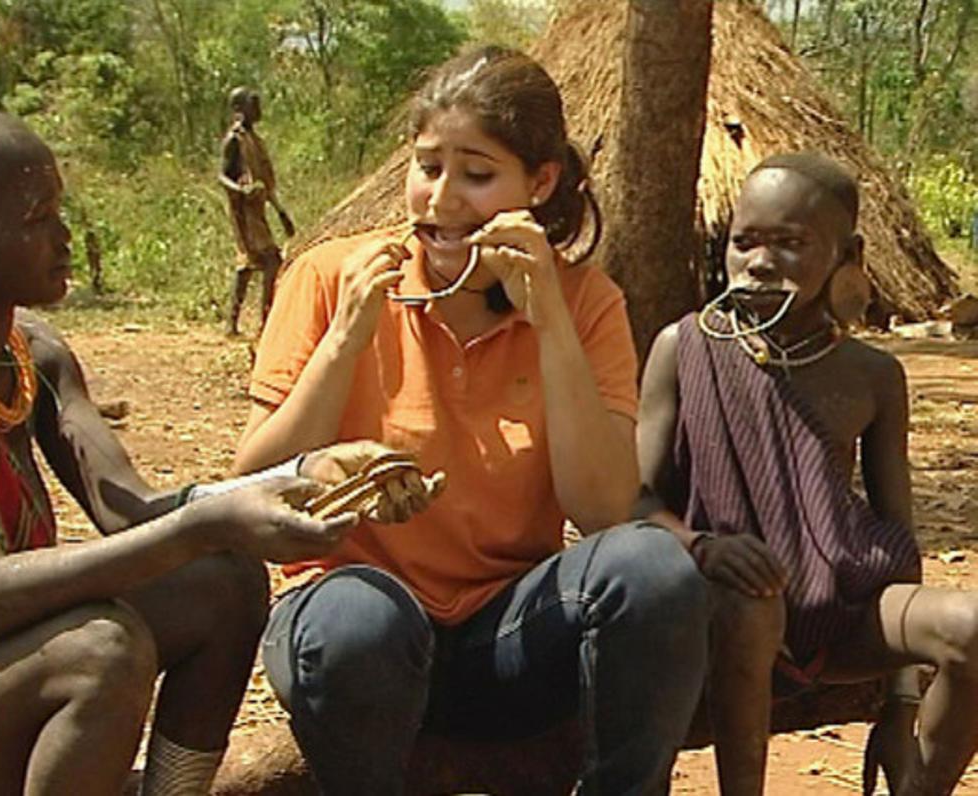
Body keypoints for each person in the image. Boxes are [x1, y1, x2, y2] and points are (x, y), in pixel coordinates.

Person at [0, 105, 429, 796]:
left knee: (225, 580)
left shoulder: (37, 354)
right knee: (99, 651)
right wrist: (206, 522)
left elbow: (137, 512)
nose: (64, 237)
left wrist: (303, 472)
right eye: (36, 219)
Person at [234, 46, 710, 795]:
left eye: (477, 174)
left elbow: (605, 510)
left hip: (506, 641)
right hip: (352, 629)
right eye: (428, 167)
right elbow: (251, 491)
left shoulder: (586, 304)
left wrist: (549, 318)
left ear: (540, 182)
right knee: (361, 624)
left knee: (655, 570)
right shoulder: (331, 278)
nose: (441, 199)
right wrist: (345, 341)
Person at [637, 152, 978, 796]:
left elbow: (896, 532)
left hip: (842, 601)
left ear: (847, 254)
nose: (761, 262)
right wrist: (701, 548)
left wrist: (898, 701)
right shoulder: (683, 348)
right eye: (745, 242)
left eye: (792, 244)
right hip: (719, 601)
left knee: (972, 627)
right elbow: (637, 498)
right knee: (753, 598)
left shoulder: (874, 375)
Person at [219, 87, 295, 336]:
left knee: (248, 265)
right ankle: (265, 321)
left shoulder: (255, 141)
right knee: (270, 261)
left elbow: (266, 181)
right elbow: (222, 176)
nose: (259, 109)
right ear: (240, 109)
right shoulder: (234, 140)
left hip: (257, 210)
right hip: (243, 212)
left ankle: (234, 323)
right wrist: (241, 192)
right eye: (254, 104)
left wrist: (280, 211)